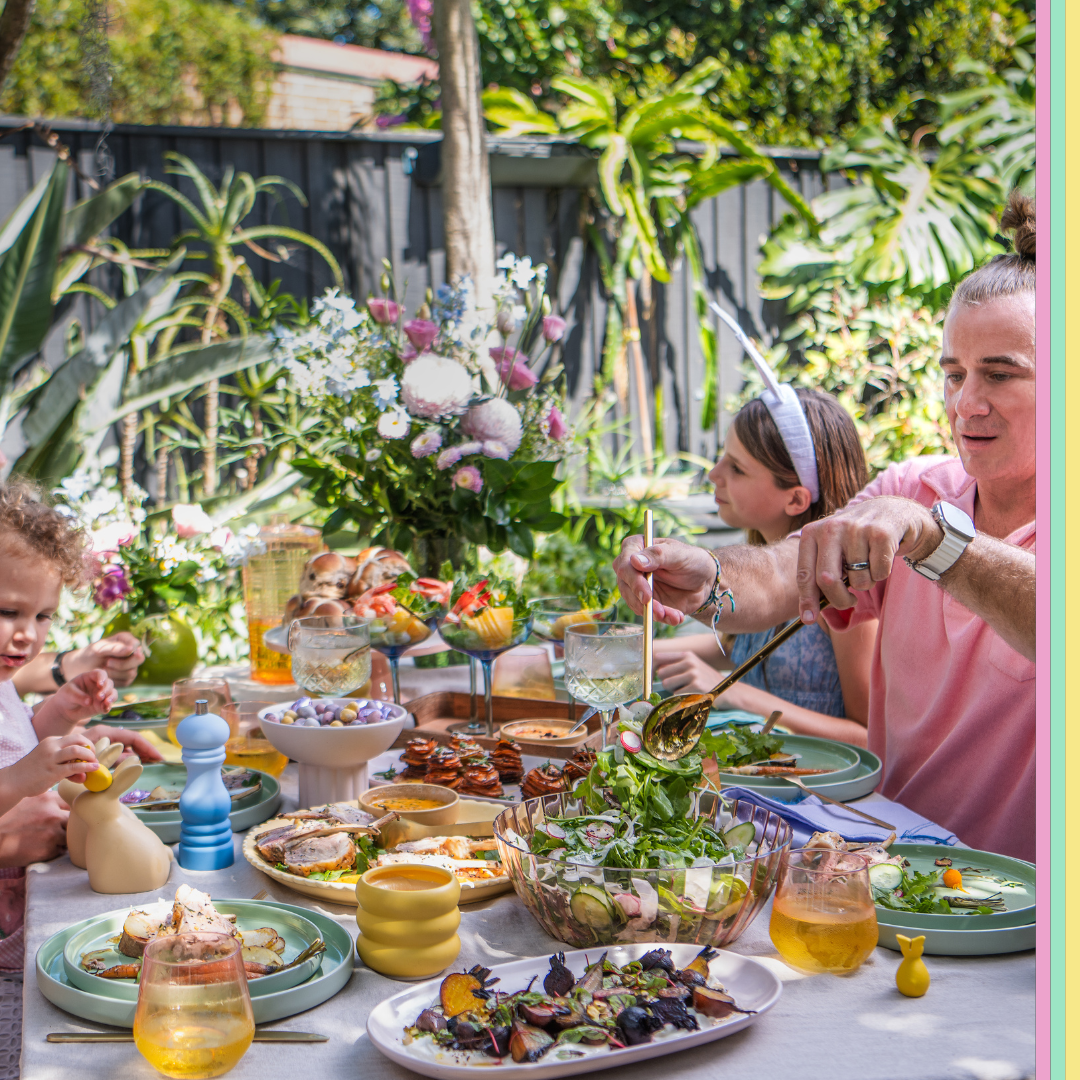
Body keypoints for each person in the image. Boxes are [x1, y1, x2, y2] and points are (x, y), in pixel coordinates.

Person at [615, 192, 1036, 860]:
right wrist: (706, 582)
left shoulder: (917, 513)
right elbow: (788, 569)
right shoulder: (912, 487)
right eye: (953, 374)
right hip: (886, 866)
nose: (965, 404)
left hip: (1028, 914)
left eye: (1001, 374)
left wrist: (934, 538)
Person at [653, 388, 876, 746]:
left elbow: (869, 738)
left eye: (737, 468)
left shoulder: (844, 584)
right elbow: (739, 647)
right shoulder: (757, 564)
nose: (714, 474)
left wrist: (730, 692)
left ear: (796, 498)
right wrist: (629, 648)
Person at [0, 481, 160, 969]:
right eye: (8, 612)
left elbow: (13, 740)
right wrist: (21, 780)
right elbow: (13, 769)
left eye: (44, 615)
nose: (29, 633)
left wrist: (62, 714)